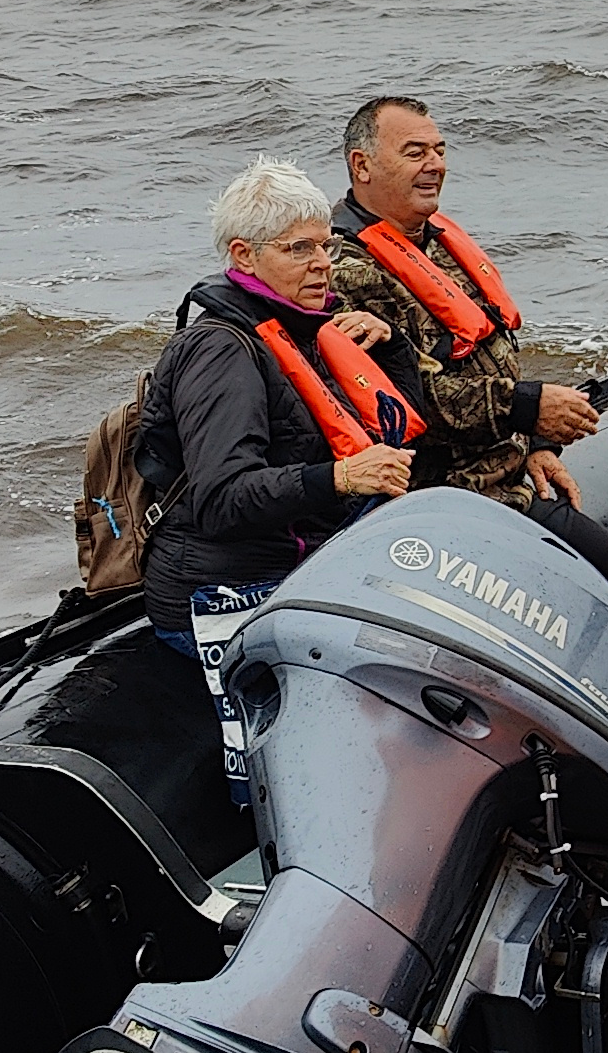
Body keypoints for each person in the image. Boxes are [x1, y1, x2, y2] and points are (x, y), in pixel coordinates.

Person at [138, 158, 420, 791]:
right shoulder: (222, 350)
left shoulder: (302, 330)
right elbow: (221, 498)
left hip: (301, 568)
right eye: (300, 249)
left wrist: (392, 344)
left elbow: (401, 435)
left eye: (327, 245)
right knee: (316, 764)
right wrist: (338, 479)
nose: (324, 263)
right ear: (245, 255)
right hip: (225, 591)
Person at [330, 93, 608, 592]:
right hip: (453, 496)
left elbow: (491, 351)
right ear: (361, 165)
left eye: (440, 150)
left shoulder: (435, 241)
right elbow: (404, 399)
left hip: (509, 473)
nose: (435, 165)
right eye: (415, 153)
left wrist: (538, 444)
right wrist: (527, 409)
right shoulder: (346, 271)